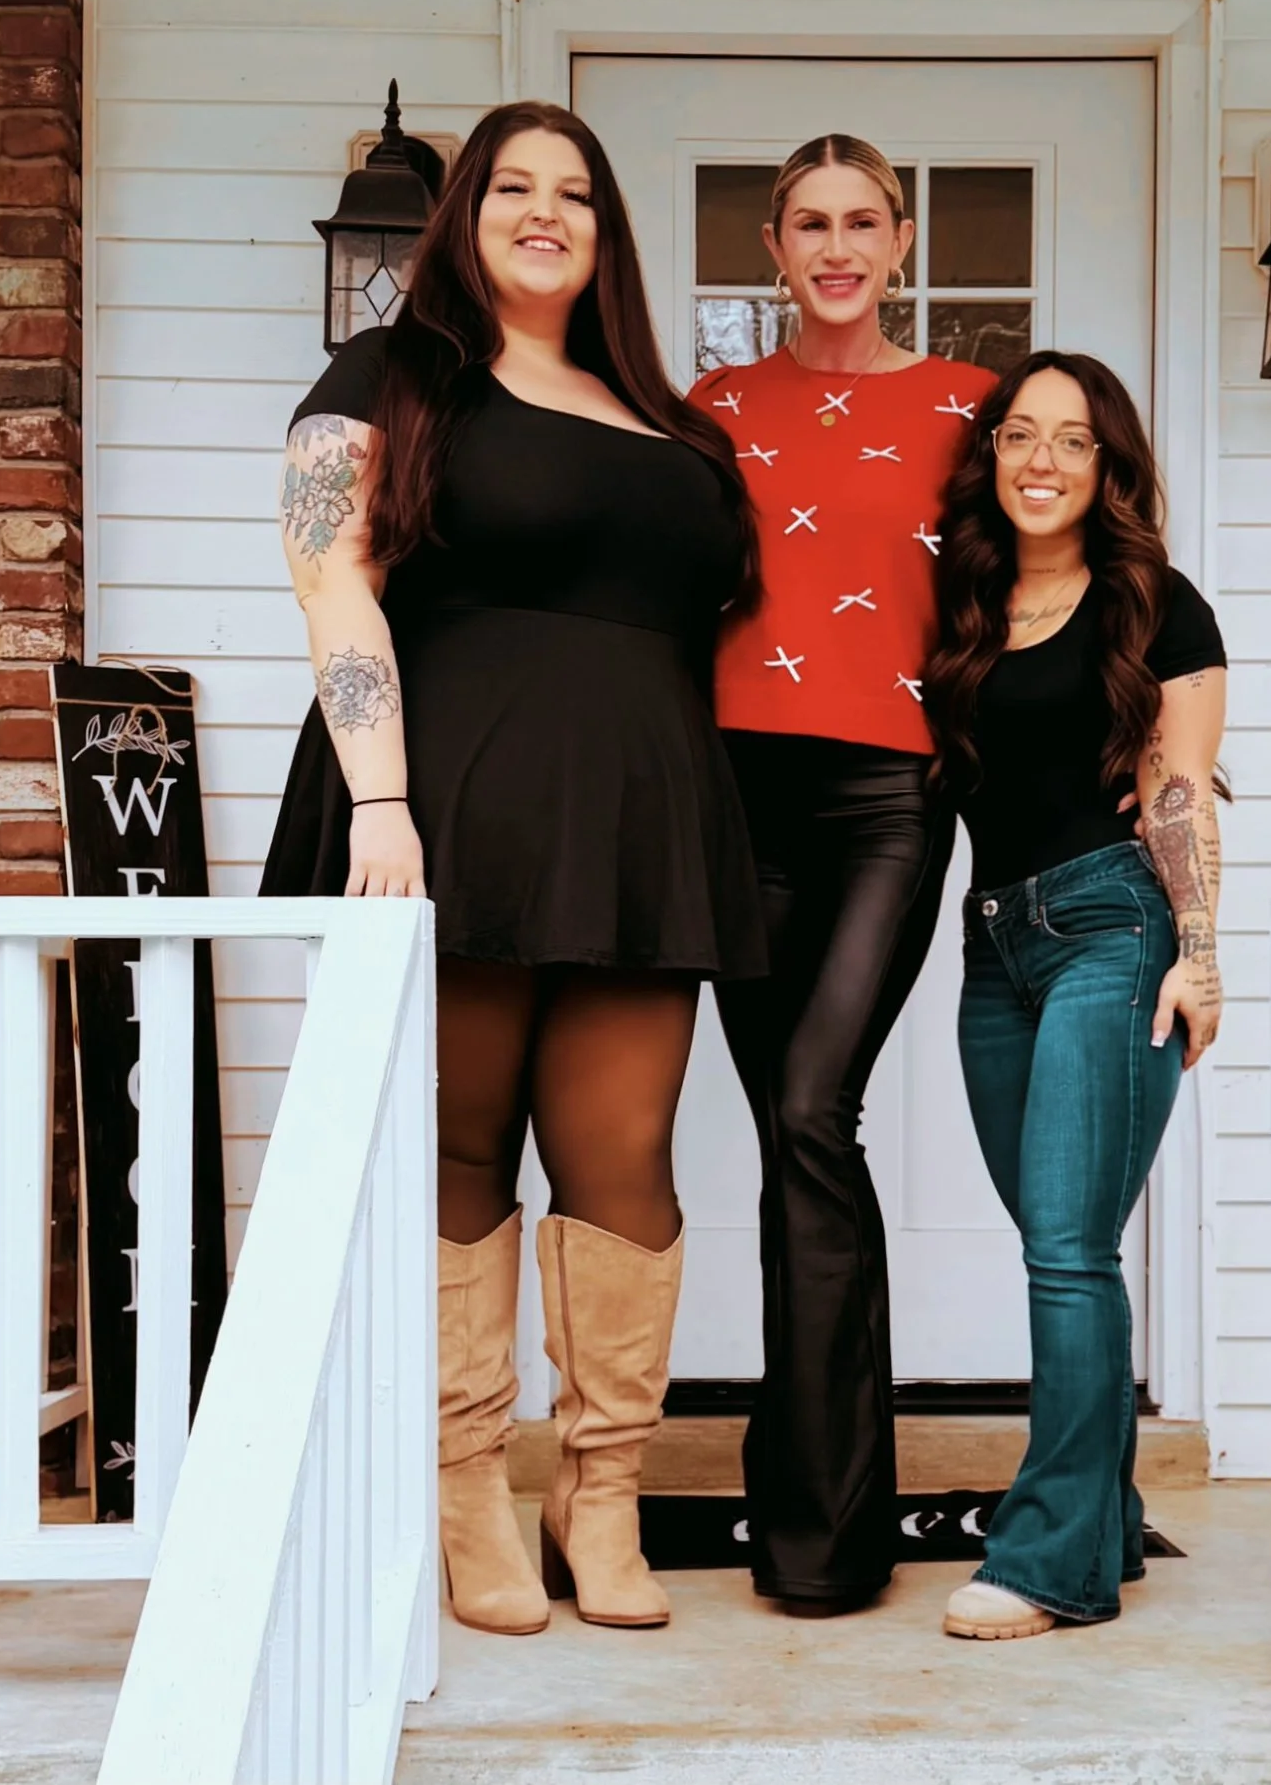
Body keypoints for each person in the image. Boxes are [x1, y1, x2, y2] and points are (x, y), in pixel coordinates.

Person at [262, 100, 763, 1637]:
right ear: (465, 213)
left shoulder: (666, 416)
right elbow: (327, 570)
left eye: (577, 195)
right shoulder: (392, 370)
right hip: (450, 798)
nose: (546, 212)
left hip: (636, 817)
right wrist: (382, 798)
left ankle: (599, 1485)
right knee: (461, 1149)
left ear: (608, 233)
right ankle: (464, 1482)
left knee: (627, 1155)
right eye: (514, 188)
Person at [688, 136, 999, 1615]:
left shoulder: (966, 406)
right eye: (808, 222)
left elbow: (1041, 580)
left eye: (860, 221)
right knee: (789, 1130)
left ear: (899, 237)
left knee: (816, 1105)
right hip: (735, 794)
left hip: (889, 790)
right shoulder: (711, 408)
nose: (834, 245)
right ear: (773, 242)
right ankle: (814, 1499)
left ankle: (819, 1521)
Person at [921, 350, 1226, 1639]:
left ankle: (1047, 1564)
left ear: (1110, 468)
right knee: (1064, 1241)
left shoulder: (1156, 603)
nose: (1043, 461)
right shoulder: (964, 601)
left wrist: (1198, 950)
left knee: (1065, 1248)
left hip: (1114, 926)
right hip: (995, 948)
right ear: (992, 456)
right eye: (1020, 436)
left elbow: (1177, 787)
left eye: (1075, 440)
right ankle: (1100, 1520)